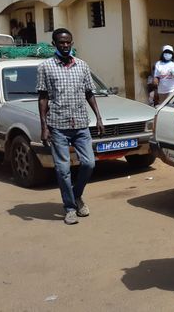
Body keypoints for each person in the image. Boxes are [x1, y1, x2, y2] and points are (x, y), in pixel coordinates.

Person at [36, 28, 105, 225]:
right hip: (58, 125)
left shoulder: (82, 66)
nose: (65, 46)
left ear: (72, 43)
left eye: (68, 42)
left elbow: (89, 93)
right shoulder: (45, 67)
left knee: (89, 163)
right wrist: (44, 127)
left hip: (81, 124)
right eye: (61, 43)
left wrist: (99, 118)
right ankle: (69, 207)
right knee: (62, 169)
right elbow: (43, 98)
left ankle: (76, 194)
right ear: (54, 44)